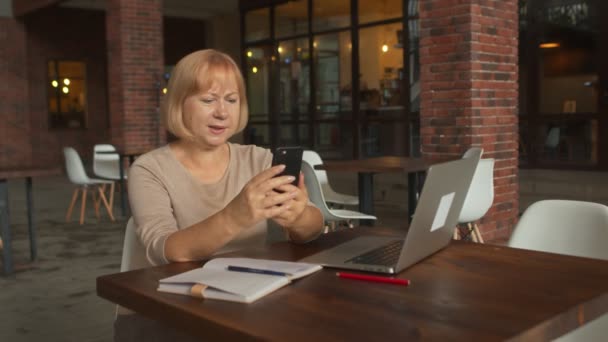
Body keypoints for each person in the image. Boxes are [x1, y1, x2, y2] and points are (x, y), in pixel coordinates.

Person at [114, 49, 324, 341]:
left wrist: (299, 216)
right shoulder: (149, 169)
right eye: (208, 100)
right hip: (163, 309)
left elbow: (313, 227)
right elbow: (166, 250)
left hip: (244, 299)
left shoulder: (258, 159)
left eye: (231, 100)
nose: (222, 112)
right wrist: (235, 215)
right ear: (178, 103)